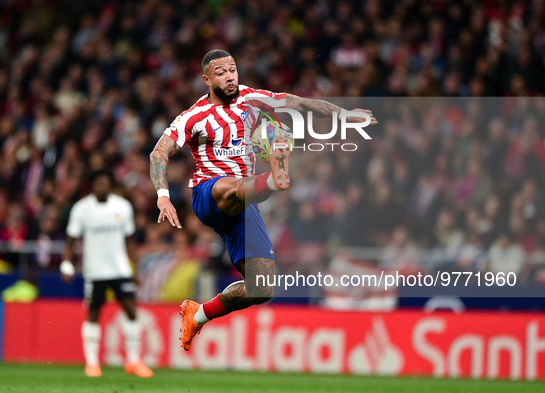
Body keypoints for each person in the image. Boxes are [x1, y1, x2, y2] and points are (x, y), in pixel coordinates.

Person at [149, 49, 376, 351]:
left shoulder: (252, 98)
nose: (229, 76)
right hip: (210, 193)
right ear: (207, 79)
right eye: (221, 72)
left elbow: (299, 103)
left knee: (261, 288)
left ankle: (198, 314)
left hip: (245, 203)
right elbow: (159, 153)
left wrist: (345, 116)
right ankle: (273, 178)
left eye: (233, 69)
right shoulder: (193, 117)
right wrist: (163, 196)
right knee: (235, 186)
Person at [61, 170, 152, 378]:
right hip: (95, 271)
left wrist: (134, 269)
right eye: (98, 183)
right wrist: (67, 263)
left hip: (120, 269)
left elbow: (129, 241)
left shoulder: (122, 207)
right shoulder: (82, 209)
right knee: (93, 313)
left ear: (111, 185)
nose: (102, 187)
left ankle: (134, 361)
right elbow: (70, 240)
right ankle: (92, 363)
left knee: (131, 310)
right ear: (92, 185)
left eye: (105, 183)